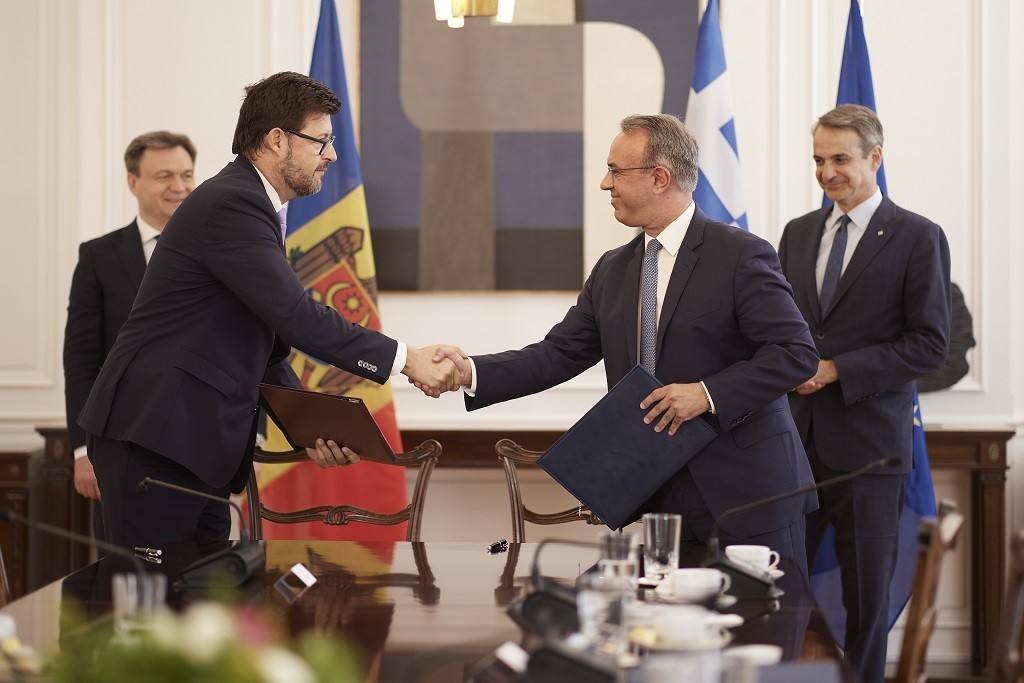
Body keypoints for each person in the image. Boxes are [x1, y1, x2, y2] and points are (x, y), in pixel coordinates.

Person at [78, 71, 460, 548]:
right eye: (321, 142)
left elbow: (267, 344)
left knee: (202, 590)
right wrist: (408, 359)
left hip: (191, 444)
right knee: (149, 593)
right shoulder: (232, 203)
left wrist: (311, 428)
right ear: (277, 140)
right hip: (155, 438)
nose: (332, 155)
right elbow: (296, 316)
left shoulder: (249, 204)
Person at [431, 114, 820, 568]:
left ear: (659, 178)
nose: (605, 183)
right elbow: (556, 355)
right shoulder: (612, 270)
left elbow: (796, 354)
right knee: (668, 615)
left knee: (764, 615)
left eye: (616, 171)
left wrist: (706, 394)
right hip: (659, 495)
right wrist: (470, 371)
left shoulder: (739, 254)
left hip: (748, 495)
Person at [778, 104, 951, 683]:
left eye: (840, 159)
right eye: (818, 160)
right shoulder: (798, 234)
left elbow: (929, 345)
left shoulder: (918, 236)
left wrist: (834, 370)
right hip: (794, 448)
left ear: (875, 157)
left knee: (865, 611)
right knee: (779, 596)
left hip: (870, 454)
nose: (827, 172)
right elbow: (781, 326)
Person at [63, 130, 197, 541]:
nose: (178, 187)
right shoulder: (98, 257)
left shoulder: (217, 253)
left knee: (203, 573)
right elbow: (81, 361)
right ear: (133, 182)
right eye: (164, 176)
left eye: (186, 175)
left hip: (199, 453)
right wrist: (83, 450)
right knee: (123, 573)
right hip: (119, 453)